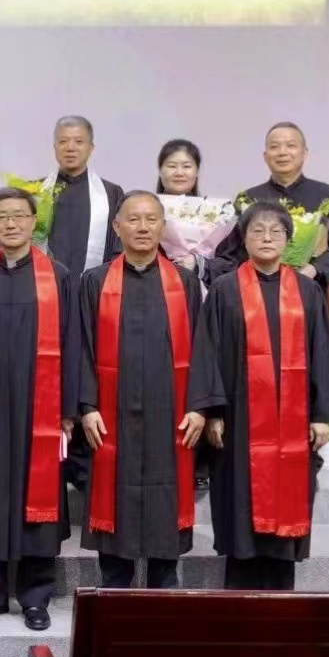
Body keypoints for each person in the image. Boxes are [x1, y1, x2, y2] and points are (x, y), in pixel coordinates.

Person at [188, 200, 329, 590]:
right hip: (240, 419)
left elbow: (323, 350)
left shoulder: (307, 292)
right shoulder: (224, 291)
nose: (267, 237)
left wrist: (322, 414)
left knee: (288, 500)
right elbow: (208, 350)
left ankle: (281, 598)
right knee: (241, 502)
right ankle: (239, 599)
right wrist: (213, 411)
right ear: (244, 239)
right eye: (258, 230)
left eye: (276, 231)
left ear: (289, 239)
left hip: (292, 421)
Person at [78, 191, 209, 589]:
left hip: (169, 413)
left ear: (163, 228)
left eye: (151, 220)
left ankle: (163, 591)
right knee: (112, 499)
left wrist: (199, 407)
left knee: (164, 499)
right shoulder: (95, 282)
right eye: (132, 220)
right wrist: (87, 405)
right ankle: (113, 592)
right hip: (110, 414)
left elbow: (203, 348)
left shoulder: (184, 283)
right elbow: (80, 345)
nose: (142, 227)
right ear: (116, 228)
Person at [0, 187, 79, 631]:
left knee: (41, 500)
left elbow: (73, 344)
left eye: (19, 216)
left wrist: (68, 408)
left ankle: (35, 596)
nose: (10, 224)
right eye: (1, 218)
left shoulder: (60, 276)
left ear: (34, 221)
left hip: (41, 407)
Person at [46, 115, 123, 492]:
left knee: (90, 375)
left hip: (93, 305)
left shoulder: (110, 193)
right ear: (54, 146)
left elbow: (116, 251)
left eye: (78, 141)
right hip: (47, 307)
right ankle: (55, 457)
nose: (71, 148)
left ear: (91, 147)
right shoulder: (37, 193)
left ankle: (84, 460)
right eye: (63, 141)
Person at [212, 122, 329, 293]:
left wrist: (312, 270)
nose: (282, 152)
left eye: (291, 146)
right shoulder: (247, 199)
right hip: (253, 291)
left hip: (306, 290)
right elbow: (230, 252)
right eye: (274, 147)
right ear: (265, 156)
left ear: (305, 153)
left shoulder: (326, 196)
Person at [155, 138, 212, 490]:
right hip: (156, 306)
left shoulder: (214, 213)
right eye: (172, 165)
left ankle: (199, 460)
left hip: (199, 306)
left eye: (186, 165)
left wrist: (198, 262)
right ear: (160, 170)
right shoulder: (144, 207)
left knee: (197, 375)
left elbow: (231, 259)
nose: (179, 171)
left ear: (197, 172)